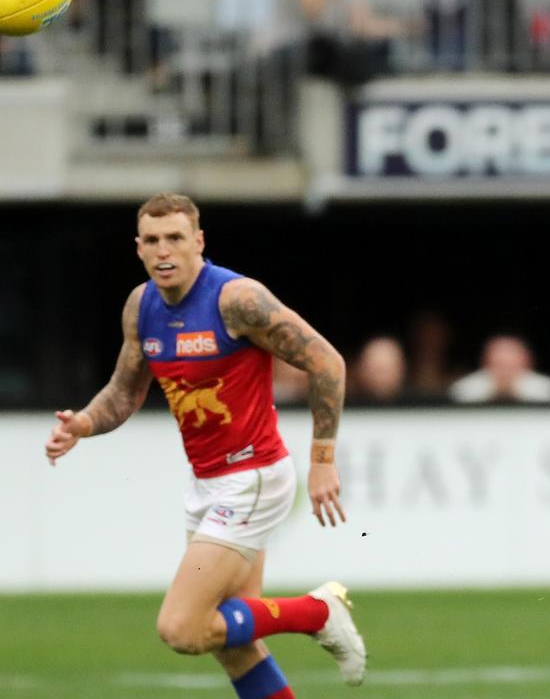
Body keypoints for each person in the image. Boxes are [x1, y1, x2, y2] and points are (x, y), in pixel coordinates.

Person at [43, 193, 365, 699]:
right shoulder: (141, 305)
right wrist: (82, 423)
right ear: (139, 248)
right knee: (232, 641)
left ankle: (317, 610)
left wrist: (322, 459)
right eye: (152, 240)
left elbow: (327, 363)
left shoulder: (237, 300)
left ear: (199, 242)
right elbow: (126, 390)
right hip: (208, 482)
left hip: (252, 477)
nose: (163, 250)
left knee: (182, 628)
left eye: (175, 238)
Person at [448, 334, 550, 403]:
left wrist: (513, 391)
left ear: (527, 363)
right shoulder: (465, 388)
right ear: (485, 363)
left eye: (510, 366)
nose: (505, 372)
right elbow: (459, 396)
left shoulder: (546, 387)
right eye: (499, 365)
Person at [351, 335, 407, 403]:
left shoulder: (413, 407)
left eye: (385, 370)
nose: (380, 377)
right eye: (375, 370)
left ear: (401, 371)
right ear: (360, 370)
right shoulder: (346, 405)